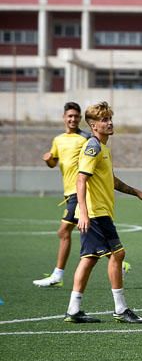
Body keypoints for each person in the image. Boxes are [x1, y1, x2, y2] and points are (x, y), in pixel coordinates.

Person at [64, 101, 142, 324]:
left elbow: (111, 180)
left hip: (98, 212)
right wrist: (83, 213)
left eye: (110, 118)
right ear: (94, 125)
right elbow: (81, 179)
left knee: (89, 259)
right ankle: (121, 309)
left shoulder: (103, 148)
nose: (110, 122)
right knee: (118, 254)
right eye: (104, 120)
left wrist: (136, 192)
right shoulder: (92, 146)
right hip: (95, 213)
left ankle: (73, 310)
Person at [33, 102, 90, 287]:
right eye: (70, 116)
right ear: (64, 118)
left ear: (80, 118)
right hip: (68, 193)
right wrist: (49, 160)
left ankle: (57, 275)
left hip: (80, 192)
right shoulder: (58, 140)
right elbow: (54, 163)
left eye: (76, 116)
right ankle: (119, 261)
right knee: (91, 232)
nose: (73, 119)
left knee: (64, 231)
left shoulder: (86, 138)